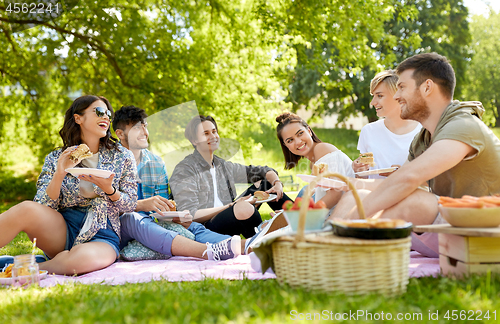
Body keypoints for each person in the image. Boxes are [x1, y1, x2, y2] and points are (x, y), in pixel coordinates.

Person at [329, 52, 500, 257]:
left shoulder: (464, 125)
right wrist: (351, 185)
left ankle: (334, 245)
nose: (397, 95)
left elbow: (409, 178)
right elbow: (394, 183)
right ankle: (330, 254)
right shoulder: (423, 139)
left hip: (487, 230)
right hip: (452, 227)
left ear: (427, 87)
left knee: (414, 200)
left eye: (402, 87)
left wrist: (351, 221)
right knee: (354, 197)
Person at [0, 95, 138, 275]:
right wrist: (60, 173)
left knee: (78, 261)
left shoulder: (123, 156)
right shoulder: (57, 157)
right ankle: (51, 261)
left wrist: (109, 190)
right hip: (63, 228)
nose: (106, 117)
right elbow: (42, 206)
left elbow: (131, 203)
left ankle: (16, 268)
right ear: (78, 118)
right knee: (26, 209)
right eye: (99, 112)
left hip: (103, 232)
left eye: (108, 114)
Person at [113, 106, 242, 260]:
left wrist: (174, 217)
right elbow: (105, 209)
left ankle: (244, 246)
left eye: (145, 126)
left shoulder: (155, 163)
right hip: (121, 229)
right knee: (133, 218)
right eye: (136, 128)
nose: (144, 133)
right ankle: (207, 251)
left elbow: (163, 208)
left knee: (192, 226)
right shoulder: (109, 161)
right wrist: (140, 205)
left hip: (154, 228)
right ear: (120, 134)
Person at [170, 115, 292, 239]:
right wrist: (231, 206)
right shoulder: (185, 169)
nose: (213, 136)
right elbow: (191, 215)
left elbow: (263, 171)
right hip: (205, 228)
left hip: (230, 215)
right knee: (243, 207)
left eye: (214, 131)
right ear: (194, 141)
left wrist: (277, 183)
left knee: (267, 184)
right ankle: (263, 241)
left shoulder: (222, 166)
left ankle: (300, 220)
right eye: (206, 133)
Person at [276, 112, 354, 208]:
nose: (298, 142)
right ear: (285, 145)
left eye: (300, 133)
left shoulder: (322, 149)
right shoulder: (313, 164)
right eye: (290, 140)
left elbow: (335, 195)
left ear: (309, 131)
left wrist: (302, 215)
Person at [353, 70, 422, 178]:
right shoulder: (369, 131)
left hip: (409, 193)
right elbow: (363, 180)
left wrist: (402, 175)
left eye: (379, 96)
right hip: (373, 192)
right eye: (373, 96)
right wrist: (359, 171)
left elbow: (433, 180)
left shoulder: (423, 131)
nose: (372, 102)